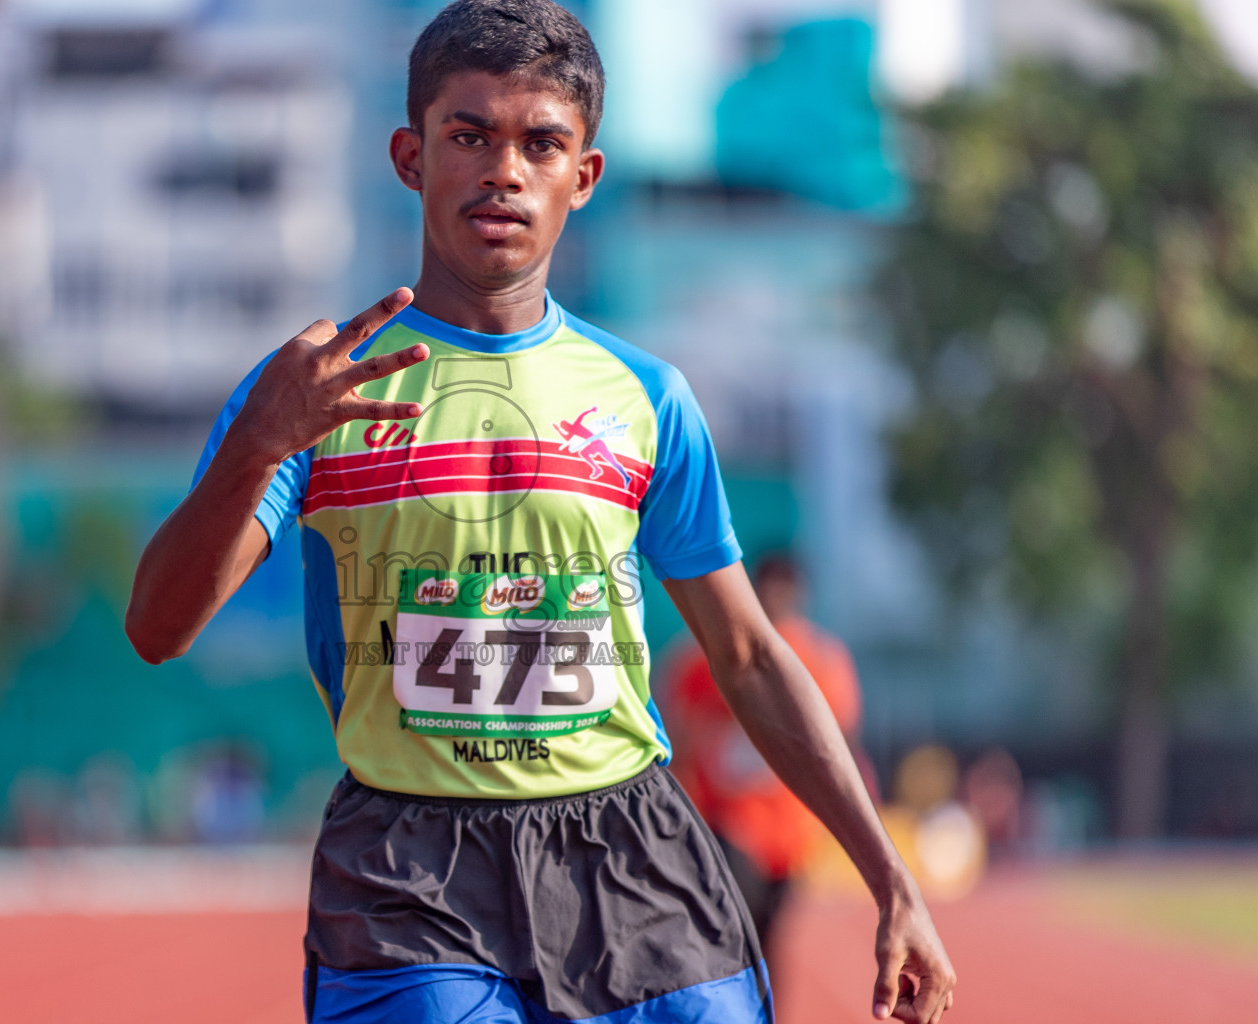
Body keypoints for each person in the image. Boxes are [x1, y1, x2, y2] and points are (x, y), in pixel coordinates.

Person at [126, 3, 955, 1022]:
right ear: (409, 155)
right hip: (410, 870)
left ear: (584, 176)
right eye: (468, 135)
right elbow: (158, 630)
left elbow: (746, 654)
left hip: (633, 853)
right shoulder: (315, 392)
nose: (503, 170)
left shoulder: (647, 397)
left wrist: (890, 875)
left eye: (540, 143)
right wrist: (257, 446)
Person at [665, 553, 868, 976]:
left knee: (769, 938)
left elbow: (841, 740)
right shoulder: (712, 651)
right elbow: (682, 727)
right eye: (768, 588)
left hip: (788, 829)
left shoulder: (820, 660)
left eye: (785, 589)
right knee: (732, 934)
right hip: (729, 822)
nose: (776, 597)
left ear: (799, 595)